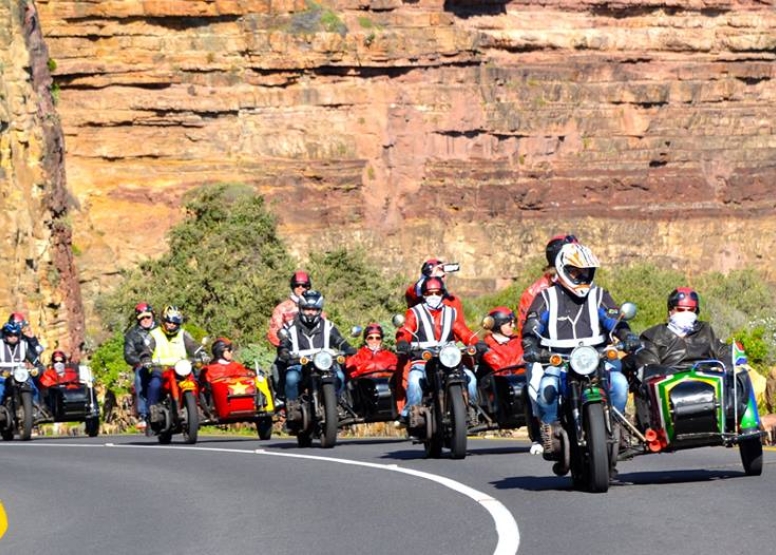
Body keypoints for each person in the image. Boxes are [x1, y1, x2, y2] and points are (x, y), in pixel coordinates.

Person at [522, 242, 640, 454]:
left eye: (586, 272)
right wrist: (530, 344)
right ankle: (550, 430)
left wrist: (627, 334)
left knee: (620, 384)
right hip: (558, 359)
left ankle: (617, 426)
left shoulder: (599, 295)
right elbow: (533, 323)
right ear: (562, 269)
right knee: (546, 388)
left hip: (597, 358)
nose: (581, 277)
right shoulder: (546, 298)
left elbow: (614, 319)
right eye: (575, 272)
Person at [516, 234, 578, 455]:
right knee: (536, 388)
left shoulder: (583, 283)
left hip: (580, 352)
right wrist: (532, 348)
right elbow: (525, 326)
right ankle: (542, 434)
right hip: (546, 353)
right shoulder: (534, 292)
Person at [394, 276, 482, 426]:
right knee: (414, 381)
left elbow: (463, 331)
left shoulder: (451, 312)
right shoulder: (414, 312)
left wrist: (477, 342)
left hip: (449, 360)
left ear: (443, 294)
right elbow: (406, 329)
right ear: (423, 295)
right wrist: (402, 342)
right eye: (429, 293)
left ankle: (472, 409)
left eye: (437, 293)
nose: (433, 296)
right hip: (423, 358)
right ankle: (412, 413)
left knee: (471, 380)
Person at [630, 287, 736, 378]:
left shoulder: (705, 331)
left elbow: (724, 352)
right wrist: (676, 375)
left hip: (706, 383)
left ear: (696, 311)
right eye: (680, 310)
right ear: (670, 311)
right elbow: (649, 368)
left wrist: (723, 367)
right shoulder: (652, 336)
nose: (686, 314)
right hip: (669, 387)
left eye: (690, 310)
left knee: (741, 379)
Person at [277, 290, 356, 402]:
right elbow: (284, 342)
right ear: (300, 308)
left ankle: (339, 402)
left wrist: (347, 347)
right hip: (299, 363)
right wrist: (284, 351)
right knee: (291, 378)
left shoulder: (328, 326)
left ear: (319, 310)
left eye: (314, 310)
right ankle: (291, 406)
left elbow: (338, 340)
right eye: (307, 309)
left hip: (325, 363)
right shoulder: (290, 327)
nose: (310, 313)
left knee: (340, 376)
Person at [141, 305, 208, 427]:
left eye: (175, 323)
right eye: (169, 322)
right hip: (161, 368)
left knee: (196, 382)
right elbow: (146, 349)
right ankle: (152, 412)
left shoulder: (183, 334)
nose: (172, 325)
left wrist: (202, 354)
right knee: (155, 384)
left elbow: (193, 346)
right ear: (163, 321)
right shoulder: (154, 334)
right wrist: (146, 358)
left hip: (181, 368)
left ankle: (198, 409)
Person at [123, 302, 156, 431]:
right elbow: (128, 353)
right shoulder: (132, 334)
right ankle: (143, 414)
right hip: (144, 365)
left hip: (165, 362)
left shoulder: (163, 329)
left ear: (152, 315)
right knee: (139, 377)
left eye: (148, 317)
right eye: (142, 318)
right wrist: (140, 361)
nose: (145, 320)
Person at [0, 321, 44, 402]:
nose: (13, 337)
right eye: (10, 335)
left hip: (22, 378)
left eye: (16, 335)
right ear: (5, 335)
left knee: (35, 391)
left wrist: (38, 368)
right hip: (3, 378)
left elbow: (35, 361)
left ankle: (38, 412)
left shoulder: (24, 345)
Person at [38, 350, 80, 416]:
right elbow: (44, 384)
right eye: (56, 361)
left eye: (61, 361)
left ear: (64, 361)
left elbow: (76, 384)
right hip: (53, 402)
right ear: (53, 362)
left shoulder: (71, 372)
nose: (58, 363)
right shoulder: (48, 374)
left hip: (70, 399)